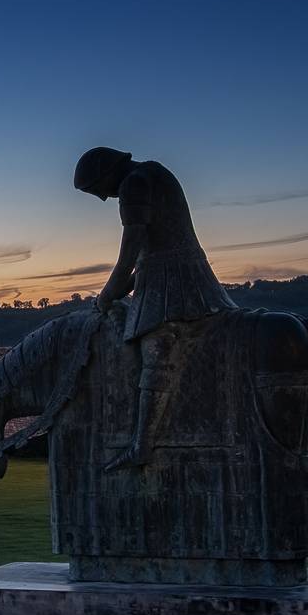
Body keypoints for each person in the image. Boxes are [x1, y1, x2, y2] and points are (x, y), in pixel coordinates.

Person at [74, 146, 238, 470]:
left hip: (175, 279)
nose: (103, 198)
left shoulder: (134, 183)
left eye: (97, 190)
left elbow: (130, 252)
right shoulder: (152, 172)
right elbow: (143, 257)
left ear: (105, 175)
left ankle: (142, 445)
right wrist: (121, 288)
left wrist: (107, 293)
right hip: (167, 272)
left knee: (155, 353)